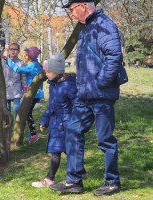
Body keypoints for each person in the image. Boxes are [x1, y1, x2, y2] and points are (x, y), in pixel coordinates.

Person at [49, 0, 122, 196]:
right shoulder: (85, 28)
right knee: (72, 132)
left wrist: (100, 82)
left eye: (72, 9)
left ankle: (112, 182)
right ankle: (74, 180)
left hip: (101, 94)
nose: (71, 14)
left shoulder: (105, 25)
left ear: (83, 6)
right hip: (85, 95)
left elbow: (114, 57)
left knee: (105, 139)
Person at [31, 53, 78, 188]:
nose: (46, 74)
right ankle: (51, 178)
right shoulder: (53, 85)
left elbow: (77, 103)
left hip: (66, 123)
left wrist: (77, 119)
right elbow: (52, 105)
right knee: (57, 152)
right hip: (56, 123)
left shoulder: (68, 84)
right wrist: (44, 120)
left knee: (68, 151)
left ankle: (73, 176)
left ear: (57, 71)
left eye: (48, 71)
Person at [4, 46, 44, 143]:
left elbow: (17, 70)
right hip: (36, 93)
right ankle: (32, 133)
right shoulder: (36, 64)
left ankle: (34, 134)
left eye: (26, 56)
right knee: (27, 112)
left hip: (34, 94)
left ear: (30, 57)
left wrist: (8, 60)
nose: (24, 57)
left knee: (27, 113)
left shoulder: (31, 66)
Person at [2, 43, 26, 121]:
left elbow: (23, 77)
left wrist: (24, 89)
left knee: (16, 108)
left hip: (16, 89)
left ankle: (16, 126)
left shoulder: (21, 63)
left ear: (18, 51)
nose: (13, 51)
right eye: (11, 49)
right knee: (7, 109)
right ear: (8, 50)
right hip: (6, 89)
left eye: (15, 49)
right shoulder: (3, 61)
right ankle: (9, 126)